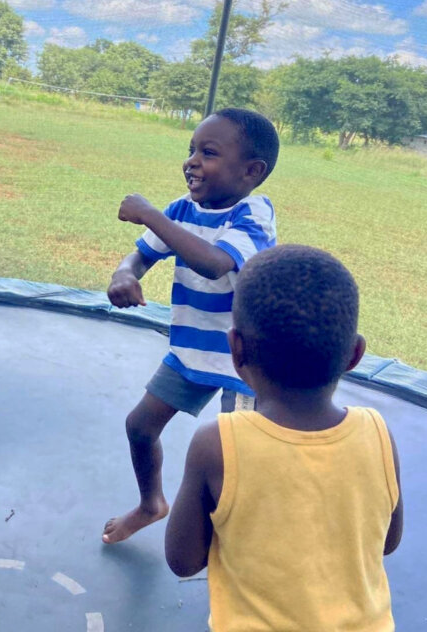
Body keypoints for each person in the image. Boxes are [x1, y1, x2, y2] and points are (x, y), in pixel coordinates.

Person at [165, 244, 404, 632]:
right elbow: (387, 541)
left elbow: (183, 560)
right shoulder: (377, 432)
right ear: (355, 355)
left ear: (236, 350)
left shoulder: (219, 443)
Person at [102, 108, 278, 544]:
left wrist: (149, 214)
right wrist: (124, 274)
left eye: (209, 152)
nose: (193, 161)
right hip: (191, 351)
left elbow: (216, 263)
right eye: (191, 150)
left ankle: (237, 536)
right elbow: (142, 254)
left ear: (251, 171)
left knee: (236, 457)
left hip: (244, 363)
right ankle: (151, 504)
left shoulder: (254, 214)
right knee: (140, 427)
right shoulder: (182, 209)